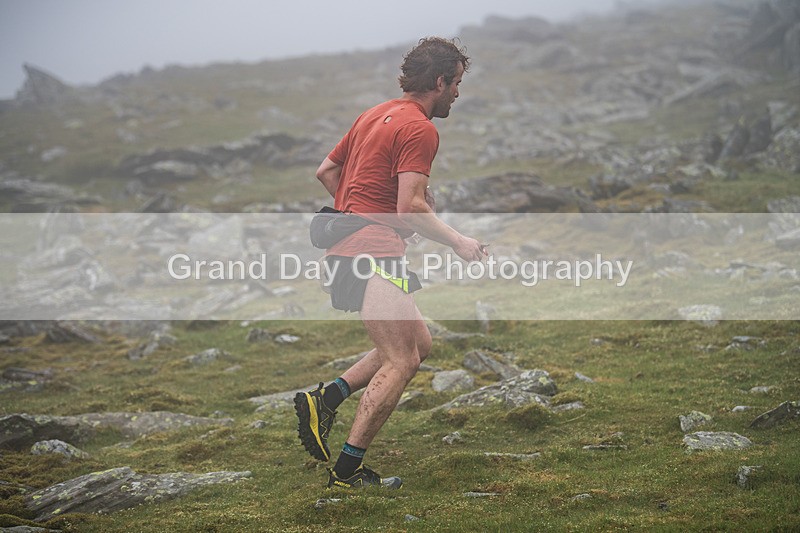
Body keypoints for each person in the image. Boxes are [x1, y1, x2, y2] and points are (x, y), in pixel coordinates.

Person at [294, 37, 486, 490]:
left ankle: (326, 398)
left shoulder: (372, 114)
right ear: (438, 81)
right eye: (456, 83)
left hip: (351, 250)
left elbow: (326, 172)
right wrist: (459, 242)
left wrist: (358, 215)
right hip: (374, 254)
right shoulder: (420, 128)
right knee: (401, 360)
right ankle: (347, 472)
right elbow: (410, 208)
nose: (458, 93)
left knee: (418, 343)